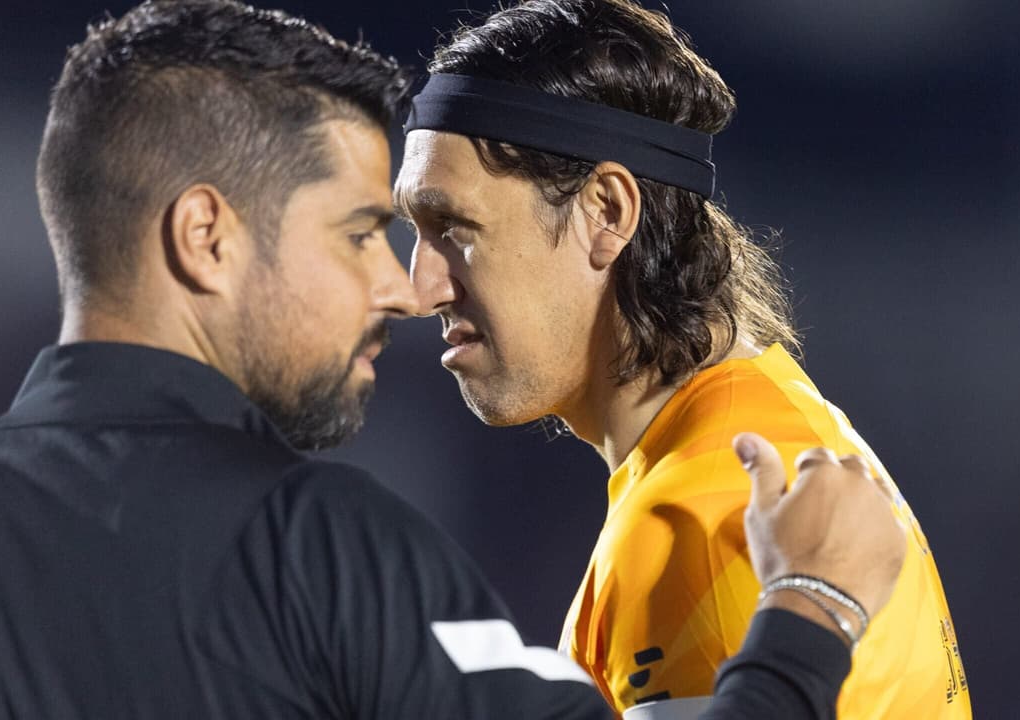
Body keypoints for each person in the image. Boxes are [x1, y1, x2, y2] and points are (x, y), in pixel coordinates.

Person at [0, 1, 900, 718]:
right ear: (205, 236)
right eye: (358, 233)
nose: (397, 285)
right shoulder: (323, 552)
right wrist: (809, 611)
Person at [395, 1, 970, 718]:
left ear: (606, 212)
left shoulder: (695, 527)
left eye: (454, 228)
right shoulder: (765, 420)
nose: (419, 287)